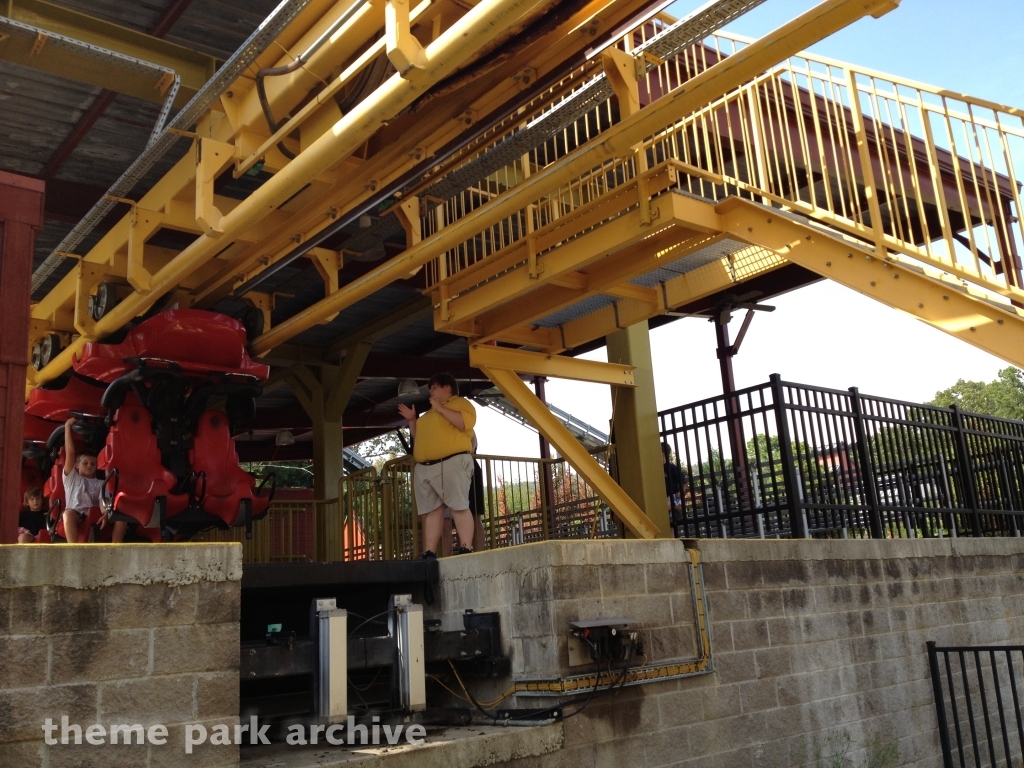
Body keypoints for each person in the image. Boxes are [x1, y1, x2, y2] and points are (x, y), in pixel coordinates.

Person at [398, 373, 477, 560]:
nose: (430, 390)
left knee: (459, 506)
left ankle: (466, 548)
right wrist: (412, 420)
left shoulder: (461, 404)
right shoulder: (429, 414)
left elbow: (465, 423)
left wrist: (441, 408)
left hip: (452, 461)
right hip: (425, 466)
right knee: (433, 511)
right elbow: (420, 439)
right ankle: (429, 552)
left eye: (434, 386)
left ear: (447, 387)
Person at [62, 417, 126, 543]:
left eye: (92, 464)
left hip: (94, 514)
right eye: (85, 463)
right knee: (67, 513)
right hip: (76, 515)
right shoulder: (71, 477)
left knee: (122, 516)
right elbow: (70, 452)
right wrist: (68, 426)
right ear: (77, 465)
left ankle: (115, 550)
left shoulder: (101, 483)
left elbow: (103, 501)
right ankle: (73, 550)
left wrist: (105, 514)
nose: (89, 466)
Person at [662, 442, 687, 528]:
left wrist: (681, 492)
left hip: (673, 497)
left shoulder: (671, 467)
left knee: (671, 524)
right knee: (669, 525)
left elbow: (684, 481)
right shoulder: (657, 468)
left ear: (663, 454)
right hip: (665, 497)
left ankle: (677, 507)